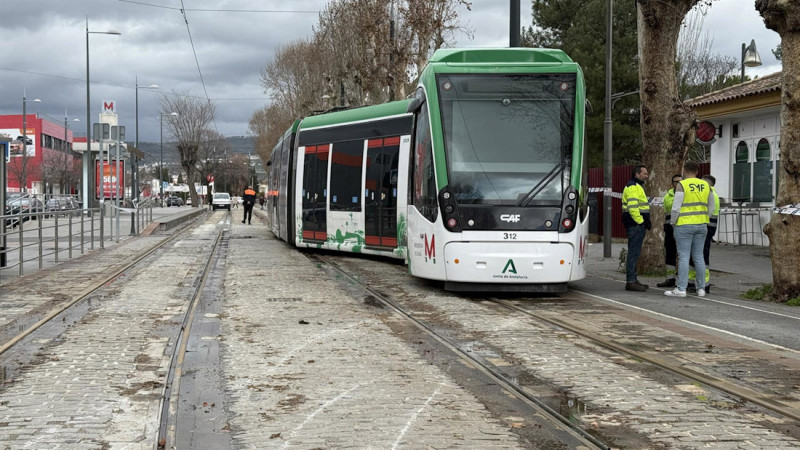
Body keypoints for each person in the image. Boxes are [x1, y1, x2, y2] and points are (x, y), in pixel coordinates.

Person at [665, 161, 716, 298]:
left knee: (683, 256)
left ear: (684, 170)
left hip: (684, 224)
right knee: (699, 257)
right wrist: (706, 217)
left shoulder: (682, 185)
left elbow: (676, 207)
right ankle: (701, 288)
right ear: (697, 171)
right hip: (702, 225)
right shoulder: (706, 185)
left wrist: (673, 222)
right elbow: (712, 206)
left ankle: (681, 288)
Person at [622, 164, 651, 292]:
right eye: (644, 173)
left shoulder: (635, 186)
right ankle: (631, 281)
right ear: (637, 174)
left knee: (634, 253)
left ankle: (633, 279)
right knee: (633, 253)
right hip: (635, 225)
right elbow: (633, 208)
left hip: (634, 224)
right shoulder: (633, 187)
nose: (647, 175)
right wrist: (641, 222)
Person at [657, 174, 683, 288]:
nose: (678, 184)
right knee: (670, 254)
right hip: (669, 228)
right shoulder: (668, 195)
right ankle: (670, 279)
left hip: (682, 228)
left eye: (680, 182)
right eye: (675, 182)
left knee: (683, 254)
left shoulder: (686, 194)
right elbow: (667, 209)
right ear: (672, 183)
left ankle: (685, 281)